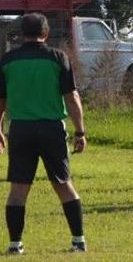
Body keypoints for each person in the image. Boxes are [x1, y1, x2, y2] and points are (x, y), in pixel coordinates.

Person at [0, 13, 87, 254]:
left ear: (21, 34)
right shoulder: (58, 57)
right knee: (63, 184)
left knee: (18, 189)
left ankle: (15, 245)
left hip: (20, 128)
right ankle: (78, 241)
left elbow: (1, 100)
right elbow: (71, 97)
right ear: (46, 34)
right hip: (51, 128)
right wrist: (80, 131)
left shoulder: (7, 60)